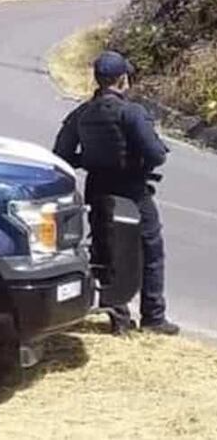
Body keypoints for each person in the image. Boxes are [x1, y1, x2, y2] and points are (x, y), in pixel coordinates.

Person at [53, 51, 178, 336]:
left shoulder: (81, 113)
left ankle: (118, 317)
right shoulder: (131, 112)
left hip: (98, 189)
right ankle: (154, 317)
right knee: (150, 250)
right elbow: (156, 155)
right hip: (132, 189)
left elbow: (62, 154)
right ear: (123, 79)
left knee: (106, 250)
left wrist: (91, 160)